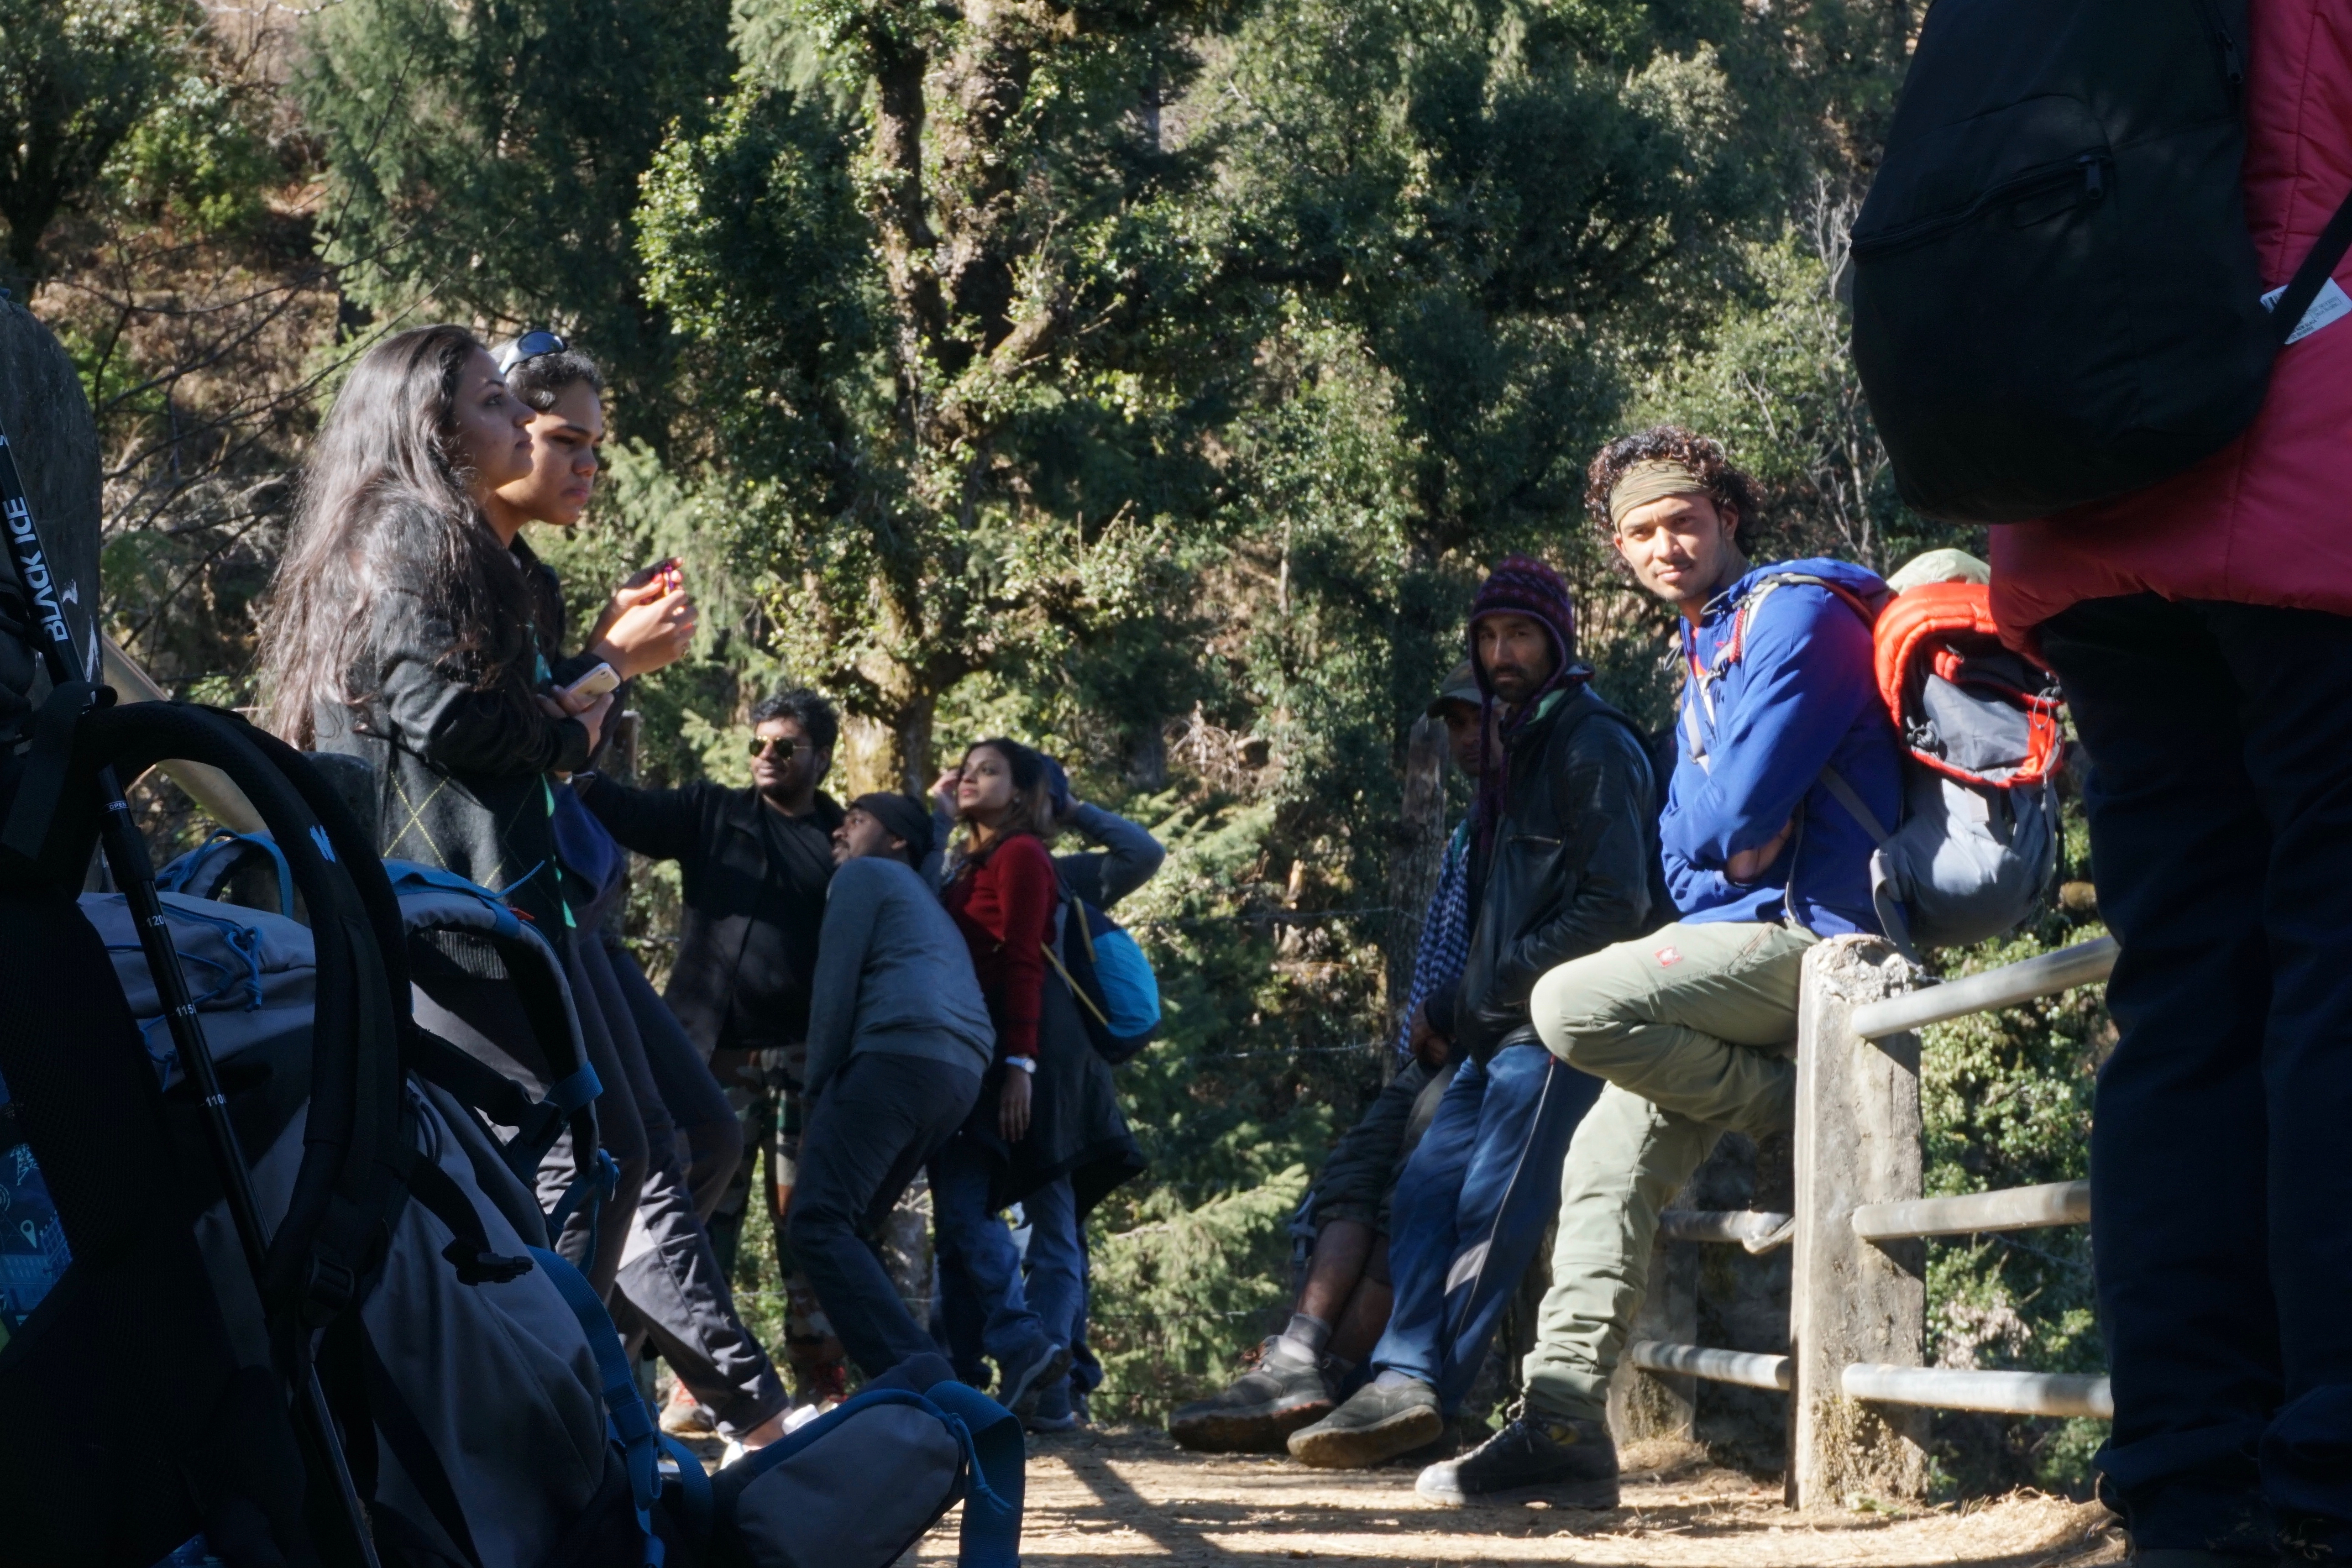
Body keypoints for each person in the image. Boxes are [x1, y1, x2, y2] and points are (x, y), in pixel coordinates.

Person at [1985, 10, 2352, 1557]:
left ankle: (2189, 1477)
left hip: (2079, 495)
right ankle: (2330, 1471)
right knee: (2336, 970)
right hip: (2315, 471)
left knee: (2185, 987)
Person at [1419, 428, 1902, 1507]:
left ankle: (1791, 1102)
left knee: (1567, 998)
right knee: (1604, 1166)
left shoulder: (1798, 613)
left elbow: (1731, 815)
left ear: (1729, 514)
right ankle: (1561, 1422)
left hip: (1818, 937)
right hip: (1735, 935)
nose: (1663, 544)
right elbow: (1686, 844)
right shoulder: (1703, 645)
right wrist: (1716, 834)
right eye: (1639, 531)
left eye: (1683, 519)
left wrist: (1722, 831)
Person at [484, 336, 794, 1450]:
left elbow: (557, 757)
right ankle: (749, 1413)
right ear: (496, 429)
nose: (585, 466)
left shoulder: (528, 578)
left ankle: (606, 1378)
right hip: (504, 912)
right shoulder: (451, 562)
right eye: (566, 439)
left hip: (575, 902)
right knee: (632, 1156)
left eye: (595, 448)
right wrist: (608, 667)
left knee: (701, 1136)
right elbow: (486, 745)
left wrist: (604, 672)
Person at [1287, 557, 1657, 1470]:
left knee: (1492, 1205)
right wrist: (1467, 1000)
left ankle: (1422, 1392)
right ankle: (1397, 1377)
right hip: (1493, 1031)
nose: (1501, 653)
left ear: (1556, 641)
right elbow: (1499, 912)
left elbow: (1616, 899)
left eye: (1519, 634)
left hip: (1558, 1027)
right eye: (1488, 636)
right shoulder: (1516, 757)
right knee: (1419, 1189)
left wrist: (1505, 986)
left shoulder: (1589, 742)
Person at [1169, 661, 1486, 1452]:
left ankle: (1341, 1377)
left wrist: (1457, 1017)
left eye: (1479, 721)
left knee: (1408, 1194)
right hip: (1431, 1048)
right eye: (1454, 724)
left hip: (1491, 1047)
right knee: (1350, 1176)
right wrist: (1424, 1016)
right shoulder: (1465, 828)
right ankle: (1296, 1361)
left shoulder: (1530, 819)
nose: (1466, 739)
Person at [580, 688, 852, 1414]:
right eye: (758, 744)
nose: (765, 757)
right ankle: (690, 1381)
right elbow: (617, 805)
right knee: (697, 1218)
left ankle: (822, 1373)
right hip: (711, 1058)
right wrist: (581, 719)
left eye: (784, 747)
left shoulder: (842, 841)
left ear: (820, 757)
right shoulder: (713, 813)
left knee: (806, 1221)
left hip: (805, 1063)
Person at [925, 754, 1165, 1430]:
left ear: (1027, 794)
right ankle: (983, 1376)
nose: (970, 777)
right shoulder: (959, 869)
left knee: (1048, 1224)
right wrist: (939, 819)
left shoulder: (1051, 863)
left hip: (1042, 1063)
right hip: (982, 1057)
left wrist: (1070, 809)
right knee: (971, 1217)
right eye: (966, 766)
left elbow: (1142, 853)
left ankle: (1051, 1381)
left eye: (991, 770)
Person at [786, 793, 995, 1380]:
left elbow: (834, 991)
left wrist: (814, 1095)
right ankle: (909, 1380)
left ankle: (921, 1382)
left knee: (817, 1221)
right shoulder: (919, 899)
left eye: (855, 821)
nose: (837, 832)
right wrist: (943, 818)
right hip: (958, 1072)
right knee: (850, 1223)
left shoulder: (865, 876)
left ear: (896, 841)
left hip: (898, 1054)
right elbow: (928, 858)